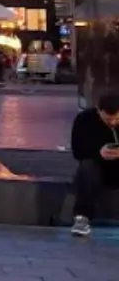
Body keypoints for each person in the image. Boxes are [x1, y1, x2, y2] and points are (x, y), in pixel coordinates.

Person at [70, 91, 119, 237]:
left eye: (117, 119)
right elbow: (77, 151)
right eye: (108, 119)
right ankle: (82, 218)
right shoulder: (84, 119)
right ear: (99, 111)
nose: (112, 123)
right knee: (87, 166)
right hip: (97, 168)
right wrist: (99, 153)